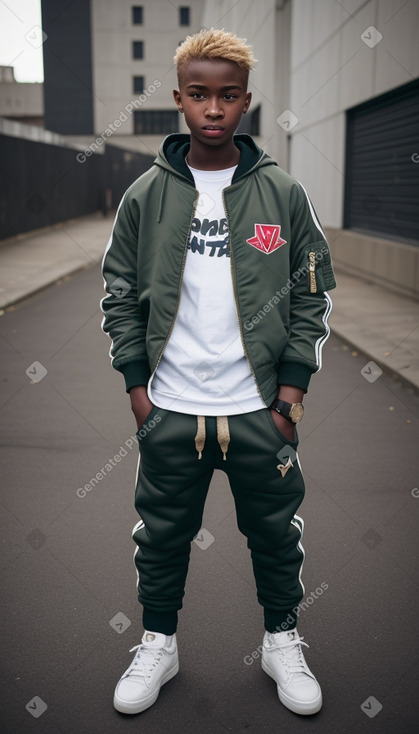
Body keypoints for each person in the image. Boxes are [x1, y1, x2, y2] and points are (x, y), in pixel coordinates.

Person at [101, 27, 336, 718]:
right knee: (161, 535)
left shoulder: (281, 193)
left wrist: (289, 393)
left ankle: (280, 639)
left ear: (246, 103)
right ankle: (157, 642)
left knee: (273, 533)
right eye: (199, 95)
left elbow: (310, 291)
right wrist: (137, 386)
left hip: (257, 408)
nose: (212, 109)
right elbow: (117, 290)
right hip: (171, 407)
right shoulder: (146, 195)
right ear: (178, 100)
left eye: (227, 97)